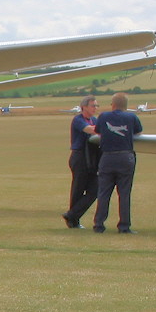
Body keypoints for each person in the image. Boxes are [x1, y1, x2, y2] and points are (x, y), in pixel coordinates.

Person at [92, 92, 144, 233]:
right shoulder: (132, 117)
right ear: (126, 106)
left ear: (113, 104)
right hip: (125, 157)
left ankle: (98, 225)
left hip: (107, 157)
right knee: (124, 193)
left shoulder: (103, 116)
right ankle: (124, 226)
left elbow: (98, 131)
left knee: (103, 192)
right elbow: (138, 132)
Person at [63, 95, 99, 228]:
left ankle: (72, 214)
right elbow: (89, 130)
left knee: (95, 189)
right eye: (93, 105)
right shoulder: (78, 120)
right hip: (79, 157)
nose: (95, 108)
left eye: (96, 106)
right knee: (78, 189)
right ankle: (73, 220)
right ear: (84, 107)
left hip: (91, 157)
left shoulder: (94, 119)